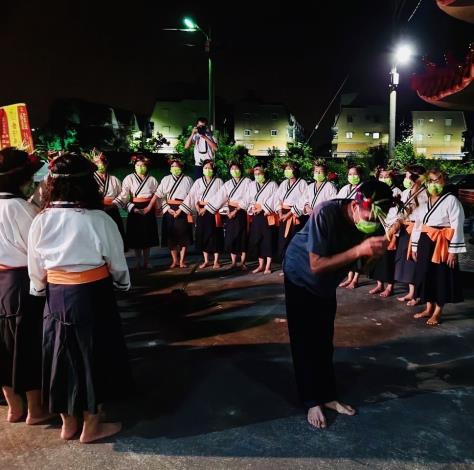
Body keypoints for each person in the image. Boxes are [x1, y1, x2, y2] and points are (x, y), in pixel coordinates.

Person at [28, 153, 132, 443]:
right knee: (94, 355)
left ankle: (68, 424)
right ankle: (92, 425)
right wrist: (123, 285)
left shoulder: (41, 219)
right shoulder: (99, 219)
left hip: (56, 296)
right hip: (93, 294)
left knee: (60, 356)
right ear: (89, 183)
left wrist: (38, 290)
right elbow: (117, 263)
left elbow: (35, 267)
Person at [283, 181, 393, 429]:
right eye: (370, 215)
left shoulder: (370, 222)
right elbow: (316, 265)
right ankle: (311, 400)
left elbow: (360, 268)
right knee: (304, 340)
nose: (373, 222)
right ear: (355, 205)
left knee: (324, 338)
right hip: (301, 274)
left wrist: (372, 256)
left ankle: (328, 395)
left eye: (379, 218)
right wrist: (358, 250)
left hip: (326, 282)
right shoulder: (325, 212)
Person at [0, 147, 50, 424]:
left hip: (1, 283)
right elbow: (40, 251)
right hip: (22, 282)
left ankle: (13, 406)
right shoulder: (24, 209)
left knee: (2, 348)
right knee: (27, 346)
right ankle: (35, 409)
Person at [410, 168, 466, 326]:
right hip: (425, 241)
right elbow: (418, 224)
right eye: (431, 181)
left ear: (444, 181)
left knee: (440, 276)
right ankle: (429, 307)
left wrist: (453, 252)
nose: (434, 184)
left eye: (437, 180)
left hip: (441, 243)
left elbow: (457, 225)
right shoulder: (424, 201)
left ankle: (437, 312)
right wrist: (414, 246)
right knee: (425, 274)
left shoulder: (451, 200)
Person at [115, 155, 159, 270]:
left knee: (147, 236)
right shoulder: (129, 178)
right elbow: (124, 196)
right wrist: (132, 208)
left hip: (148, 207)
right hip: (135, 207)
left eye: (143, 165)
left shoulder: (152, 179)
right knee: (136, 236)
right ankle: (138, 261)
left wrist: (153, 207)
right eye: (138, 165)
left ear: (147, 166)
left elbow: (156, 195)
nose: (140, 167)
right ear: (134, 166)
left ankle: (147, 261)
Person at [178, 159, 224, 269]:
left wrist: (208, 207)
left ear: (213, 170)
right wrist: (197, 206)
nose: (207, 170)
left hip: (213, 210)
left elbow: (221, 197)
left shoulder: (218, 182)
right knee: (203, 235)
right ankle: (206, 260)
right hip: (201, 211)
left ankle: (216, 261)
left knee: (215, 235)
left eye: (209, 168)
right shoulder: (198, 181)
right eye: (205, 168)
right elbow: (192, 195)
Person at [205, 162, 251, 270]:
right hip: (230, 212)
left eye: (236, 168)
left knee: (242, 236)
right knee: (231, 236)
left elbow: (248, 197)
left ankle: (243, 263)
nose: (234, 171)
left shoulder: (248, 182)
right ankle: (234, 262)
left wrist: (237, 210)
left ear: (241, 170)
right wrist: (225, 211)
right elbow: (221, 197)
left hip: (241, 211)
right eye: (232, 169)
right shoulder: (228, 184)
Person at [393, 165, 428, 305]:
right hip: (405, 228)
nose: (405, 179)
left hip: (417, 229)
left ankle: (418, 296)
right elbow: (402, 212)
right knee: (407, 262)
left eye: (408, 176)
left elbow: (420, 215)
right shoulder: (406, 192)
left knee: (415, 261)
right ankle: (411, 292)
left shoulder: (424, 193)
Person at [368, 168, 403, 298]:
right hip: (377, 226)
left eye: (386, 176)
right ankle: (379, 284)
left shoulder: (397, 192)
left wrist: (393, 229)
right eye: (381, 176)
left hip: (390, 227)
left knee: (388, 258)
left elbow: (399, 213)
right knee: (377, 257)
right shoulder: (376, 190)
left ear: (392, 178)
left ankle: (390, 286)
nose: (384, 179)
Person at [154, 159, 194, 268]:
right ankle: (174, 260)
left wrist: (181, 209)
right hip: (169, 209)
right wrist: (167, 208)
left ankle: (182, 261)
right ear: (170, 168)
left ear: (181, 168)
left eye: (177, 166)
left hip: (183, 208)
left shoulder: (188, 179)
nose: (175, 168)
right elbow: (159, 196)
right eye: (173, 166)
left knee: (183, 236)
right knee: (171, 237)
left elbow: (191, 196)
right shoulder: (166, 179)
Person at [247, 166, 278, 274]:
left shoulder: (272, 185)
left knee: (267, 240)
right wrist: (252, 208)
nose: (257, 176)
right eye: (255, 174)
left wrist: (263, 208)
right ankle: (260, 265)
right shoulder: (251, 185)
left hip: (267, 215)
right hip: (256, 216)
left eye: (259, 174)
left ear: (264, 173)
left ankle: (268, 266)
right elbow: (249, 199)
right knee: (257, 240)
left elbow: (275, 198)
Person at [274, 162, 308, 261]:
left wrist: (289, 214)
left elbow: (304, 200)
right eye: (286, 169)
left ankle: (295, 265)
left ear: (295, 170)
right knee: (283, 240)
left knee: (294, 241)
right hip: (283, 214)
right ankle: (285, 265)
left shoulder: (302, 183)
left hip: (295, 215)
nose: (287, 171)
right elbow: (277, 198)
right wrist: (280, 212)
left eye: (290, 169)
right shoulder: (284, 183)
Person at [92, 151, 126, 248]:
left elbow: (122, 194)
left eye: (102, 162)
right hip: (97, 210)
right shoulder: (90, 179)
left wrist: (114, 203)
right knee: (99, 239)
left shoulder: (114, 179)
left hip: (113, 210)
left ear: (106, 164)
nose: (100, 165)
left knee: (114, 238)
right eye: (97, 163)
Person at [338, 165, 364, 289]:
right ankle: (349, 277)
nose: (352, 177)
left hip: (358, 224)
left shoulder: (364, 189)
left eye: (355, 174)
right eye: (350, 174)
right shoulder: (345, 188)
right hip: (346, 223)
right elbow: (337, 202)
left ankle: (355, 278)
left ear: (360, 176)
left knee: (357, 251)